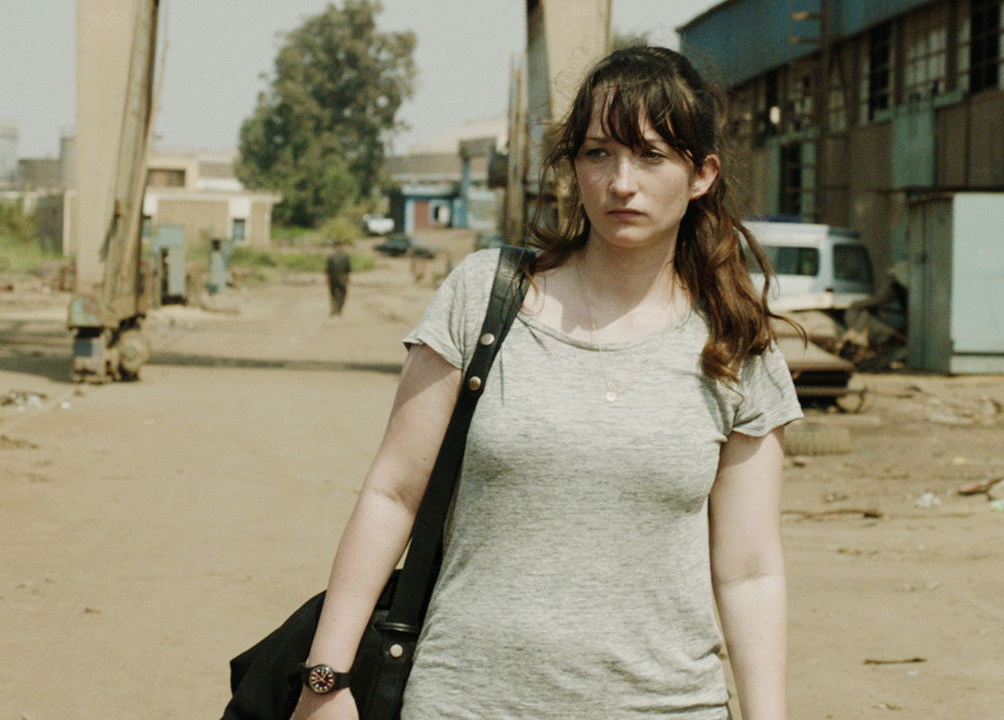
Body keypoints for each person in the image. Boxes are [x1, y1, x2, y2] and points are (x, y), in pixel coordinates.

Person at [291, 46, 801, 720]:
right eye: (599, 154)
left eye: (651, 156)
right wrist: (323, 683)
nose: (623, 182)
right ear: (573, 169)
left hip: (666, 706)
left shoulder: (734, 341)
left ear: (701, 173)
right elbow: (393, 494)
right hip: (465, 701)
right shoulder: (485, 297)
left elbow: (750, 571)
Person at [325, 240, 351, 316]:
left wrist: (348, 277)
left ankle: (338, 309)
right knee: (335, 293)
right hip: (336, 276)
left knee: (340, 293)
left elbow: (348, 268)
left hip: (340, 276)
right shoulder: (332, 256)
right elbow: (328, 268)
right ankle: (336, 308)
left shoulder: (344, 256)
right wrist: (328, 277)